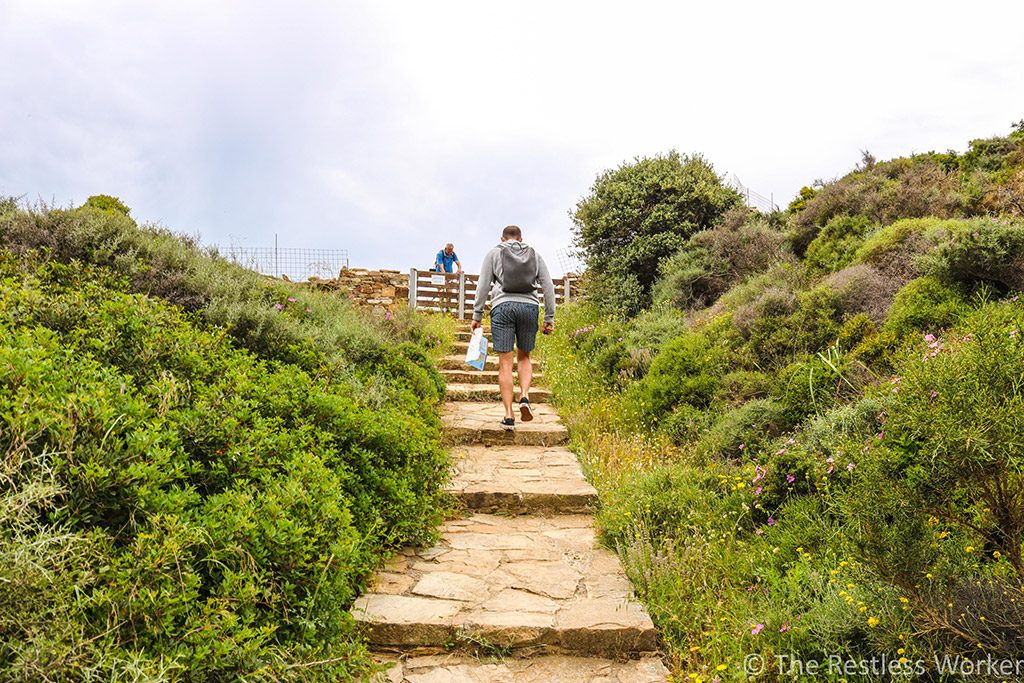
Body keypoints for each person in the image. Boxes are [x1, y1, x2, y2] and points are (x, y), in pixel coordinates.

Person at [471, 225, 556, 430]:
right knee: (525, 357)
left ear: (502, 238)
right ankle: (525, 397)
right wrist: (549, 317)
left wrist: (477, 315)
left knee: (505, 364)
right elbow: (548, 286)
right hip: (529, 308)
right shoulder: (534, 254)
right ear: (521, 238)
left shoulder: (494, 252)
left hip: (503, 307)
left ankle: (509, 416)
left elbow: (483, 286)